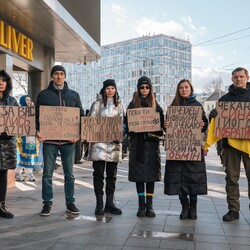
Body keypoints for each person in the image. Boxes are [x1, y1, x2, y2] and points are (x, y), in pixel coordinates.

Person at [35, 65, 84, 216]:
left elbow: (80, 117)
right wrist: (37, 131)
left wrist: (77, 134)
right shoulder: (43, 95)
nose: (59, 76)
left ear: (65, 76)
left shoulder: (74, 95)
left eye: (62, 74)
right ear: (52, 76)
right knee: (47, 174)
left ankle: (70, 202)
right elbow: (37, 116)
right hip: (49, 141)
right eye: (56, 74)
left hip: (68, 142)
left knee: (69, 174)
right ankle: (47, 203)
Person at [209, 67, 250, 221]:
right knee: (231, 178)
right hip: (230, 145)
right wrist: (212, 115)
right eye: (235, 77)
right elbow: (215, 122)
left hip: (249, 144)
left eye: (241, 76)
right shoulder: (224, 100)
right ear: (232, 79)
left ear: (247, 77)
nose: (238, 79)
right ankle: (233, 210)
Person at [164, 79, 208, 220]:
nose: (184, 90)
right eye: (181, 87)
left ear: (191, 89)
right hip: (177, 150)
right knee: (179, 179)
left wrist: (203, 124)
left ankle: (193, 207)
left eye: (186, 87)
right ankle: (184, 206)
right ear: (178, 90)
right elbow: (168, 128)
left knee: (193, 179)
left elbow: (205, 125)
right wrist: (166, 125)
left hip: (192, 149)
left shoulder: (197, 106)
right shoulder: (173, 106)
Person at [124, 76, 164, 217]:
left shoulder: (155, 105)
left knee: (151, 176)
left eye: (147, 87)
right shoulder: (132, 105)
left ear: (150, 89)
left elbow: (161, 127)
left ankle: (150, 205)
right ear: (138, 88)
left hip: (152, 146)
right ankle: (141, 206)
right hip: (137, 145)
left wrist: (160, 117)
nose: (144, 89)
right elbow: (127, 125)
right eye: (142, 87)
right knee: (139, 176)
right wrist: (131, 129)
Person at [86, 79, 124, 216]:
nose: (110, 90)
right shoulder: (97, 104)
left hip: (113, 145)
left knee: (112, 176)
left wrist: (120, 134)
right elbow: (90, 121)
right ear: (104, 90)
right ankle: (99, 204)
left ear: (115, 90)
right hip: (98, 145)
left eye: (112, 88)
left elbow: (122, 123)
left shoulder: (119, 105)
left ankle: (109, 203)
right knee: (98, 175)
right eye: (108, 88)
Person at [0, 70, 19, 218]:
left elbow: (20, 122)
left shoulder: (12, 101)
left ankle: (1, 205)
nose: (1, 83)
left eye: (4, 80)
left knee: (3, 174)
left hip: (7, 145)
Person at [15, 95, 39, 182]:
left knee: (30, 155)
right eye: (26, 100)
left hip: (31, 138)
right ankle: (18, 173)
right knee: (22, 155)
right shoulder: (19, 112)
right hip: (22, 138)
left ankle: (29, 173)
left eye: (29, 100)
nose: (28, 102)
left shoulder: (33, 112)